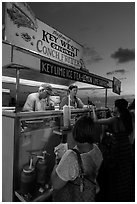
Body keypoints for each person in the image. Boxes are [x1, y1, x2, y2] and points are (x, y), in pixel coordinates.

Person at [51, 115, 103, 202]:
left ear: (75, 132)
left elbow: (56, 184)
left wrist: (58, 160)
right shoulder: (96, 149)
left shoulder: (71, 157)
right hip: (89, 195)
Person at [92, 98, 134, 202]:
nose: (113, 108)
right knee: (125, 173)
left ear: (117, 108)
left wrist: (92, 109)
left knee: (116, 173)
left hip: (118, 148)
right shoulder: (128, 118)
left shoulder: (115, 120)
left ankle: (115, 197)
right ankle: (126, 196)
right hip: (127, 148)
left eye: (114, 106)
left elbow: (95, 121)